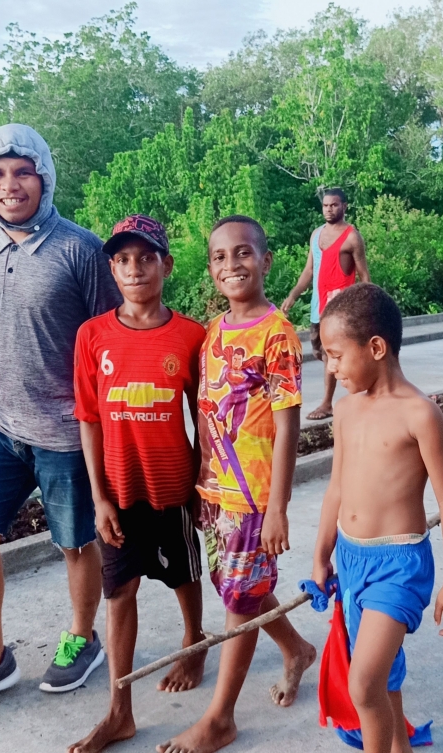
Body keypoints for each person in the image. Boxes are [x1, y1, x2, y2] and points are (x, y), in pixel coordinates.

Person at [0, 124, 122, 714]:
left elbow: (107, 342)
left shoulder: (80, 250)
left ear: (44, 177)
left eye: (22, 172)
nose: (10, 185)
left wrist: (111, 433)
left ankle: (83, 639)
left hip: (66, 431)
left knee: (75, 543)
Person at [157, 216, 316, 753]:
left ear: (267, 261)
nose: (233, 265)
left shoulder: (278, 334)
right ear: (210, 268)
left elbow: (289, 422)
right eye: (221, 257)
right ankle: (295, 649)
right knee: (239, 587)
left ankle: (220, 717)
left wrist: (279, 506)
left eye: (244, 253)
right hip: (213, 491)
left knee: (239, 598)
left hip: (254, 495)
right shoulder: (214, 330)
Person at [67, 215, 208, 753]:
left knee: (183, 575)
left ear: (166, 266)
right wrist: (99, 496)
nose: (134, 268)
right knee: (118, 591)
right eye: (123, 260)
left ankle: (194, 640)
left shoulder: (192, 335)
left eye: (146, 258)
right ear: (111, 269)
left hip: (173, 488)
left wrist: (202, 482)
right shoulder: (92, 335)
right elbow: (88, 418)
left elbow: (206, 417)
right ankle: (119, 711)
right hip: (118, 494)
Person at [311, 283, 443, 753]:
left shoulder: (420, 415)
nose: (331, 368)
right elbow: (336, 487)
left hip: (399, 565)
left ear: (376, 347)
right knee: (383, 677)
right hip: (352, 558)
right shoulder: (344, 412)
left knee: (364, 686)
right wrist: (321, 553)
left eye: (336, 355)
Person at [281, 188, 370, 421]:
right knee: (324, 355)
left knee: (338, 355)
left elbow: (364, 276)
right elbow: (309, 270)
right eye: (326, 205)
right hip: (317, 308)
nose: (329, 209)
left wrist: (367, 307)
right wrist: (293, 295)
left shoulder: (352, 237)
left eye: (334, 205)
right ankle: (341, 399)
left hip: (341, 310)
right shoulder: (316, 235)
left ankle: (328, 403)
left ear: (344, 206)